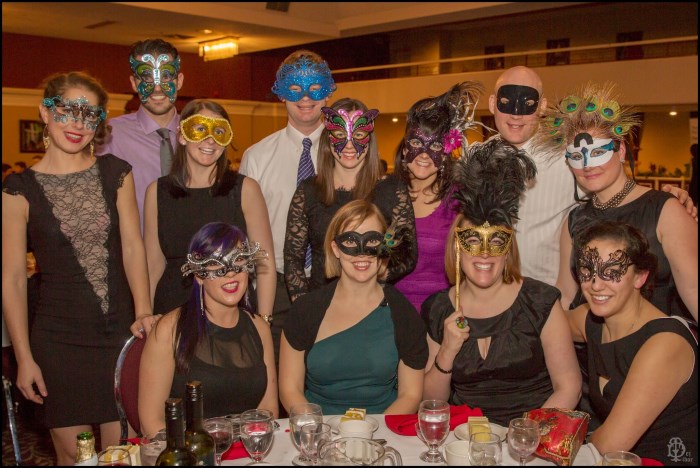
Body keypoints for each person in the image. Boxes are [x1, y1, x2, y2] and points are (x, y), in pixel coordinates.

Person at [2, 72, 152, 465]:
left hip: (120, 333)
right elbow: (13, 279)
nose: (77, 124)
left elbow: (133, 248)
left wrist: (143, 312)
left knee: (123, 455)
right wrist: (23, 357)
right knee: (73, 457)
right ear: (45, 113)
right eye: (67, 111)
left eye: (89, 115)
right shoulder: (18, 189)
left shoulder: (116, 172)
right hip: (57, 342)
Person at [422, 138, 581, 427]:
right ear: (457, 248)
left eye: (496, 242)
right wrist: (447, 350)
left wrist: (524, 435)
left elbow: (569, 387)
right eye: (472, 241)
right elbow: (432, 402)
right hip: (464, 438)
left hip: (534, 434)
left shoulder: (540, 301)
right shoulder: (439, 308)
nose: (484, 253)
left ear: (508, 250)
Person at [489, 66, 697, 287]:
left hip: (547, 294)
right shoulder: (476, 158)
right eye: (506, 102)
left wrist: (668, 203)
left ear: (542, 106)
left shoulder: (569, 155)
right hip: (490, 291)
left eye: (527, 103)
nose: (516, 114)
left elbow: (618, 192)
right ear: (492, 104)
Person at [536, 83, 698, 322]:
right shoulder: (574, 220)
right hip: (590, 341)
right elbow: (566, 295)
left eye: (597, 152)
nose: (587, 166)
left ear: (621, 151)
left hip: (657, 339)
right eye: (577, 156)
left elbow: (694, 290)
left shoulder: (666, 209)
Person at [279, 200, 427, 415]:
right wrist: (314, 427)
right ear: (336, 249)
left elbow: (411, 395)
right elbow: (289, 389)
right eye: (350, 240)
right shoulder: (306, 310)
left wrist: (375, 431)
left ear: (385, 247)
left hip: (382, 427)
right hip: (318, 426)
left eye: (372, 240)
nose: (362, 253)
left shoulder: (403, 314)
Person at [566, 221, 697, 465]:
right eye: (587, 270)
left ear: (640, 277)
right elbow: (543, 323)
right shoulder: (590, 320)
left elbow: (610, 445)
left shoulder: (665, 343)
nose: (596, 284)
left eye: (611, 272)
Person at [239, 49, 336, 361]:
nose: (305, 98)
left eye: (315, 88)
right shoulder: (256, 157)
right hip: (275, 287)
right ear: (281, 93)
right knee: (274, 371)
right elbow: (245, 231)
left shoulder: (346, 153)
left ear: (328, 92)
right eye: (295, 89)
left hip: (334, 281)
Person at [139, 222, 278, 437]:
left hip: (248, 448)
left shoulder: (260, 328)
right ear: (199, 275)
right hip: (188, 451)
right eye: (216, 263)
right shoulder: (169, 331)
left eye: (237, 260)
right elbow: (150, 422)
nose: (230, 274)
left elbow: (268, 410)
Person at [143, 99, 275, 322]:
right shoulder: (157, 192)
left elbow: (265, 263)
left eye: (219, 132)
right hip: (173, 312)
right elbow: (152, 264)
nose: (210, 140)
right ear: (182, 135)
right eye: (200, 129)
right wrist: (146, 314)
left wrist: (264, 319)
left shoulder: (245, 189)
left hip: (232, 314)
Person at [284, 97, 416, 302]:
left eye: (359, 135)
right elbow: (293, 257)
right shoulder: (309, 191)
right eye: (339, 135)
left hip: (373, 303)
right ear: (328, 139)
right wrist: (304, 306)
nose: (349, 145)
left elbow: (407, 254)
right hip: (322, 304)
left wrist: (369, 276)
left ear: (369, 138)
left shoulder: (392, 190)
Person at [394, 81, 484, 312]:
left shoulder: (460, 201)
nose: (424, 154)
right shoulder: (386, 194)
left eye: (434, 146)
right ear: (405, 149)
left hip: (441, 312)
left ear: (446, 153)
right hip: (390, 312)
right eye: (416, 143)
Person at [97, 38, 183, 229]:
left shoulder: (198, 133)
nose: (157, 88)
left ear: (180, 80)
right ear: (134, 83)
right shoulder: (110, 135)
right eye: (146, 78)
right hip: (133, 244)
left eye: (166, 76)